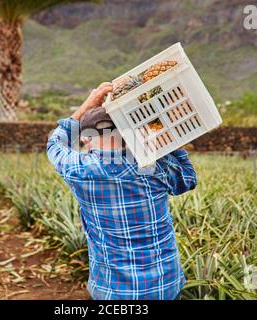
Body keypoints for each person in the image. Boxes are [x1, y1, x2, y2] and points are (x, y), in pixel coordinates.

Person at [46, 82, 197, 300]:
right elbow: (188, 179)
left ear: (86, 138)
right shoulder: (154, 165)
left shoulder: (78, 169)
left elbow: (54, 143)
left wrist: (86, 105)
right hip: (164, 285)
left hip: (113, 291)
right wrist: (167, 143)